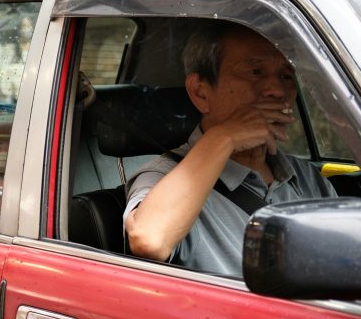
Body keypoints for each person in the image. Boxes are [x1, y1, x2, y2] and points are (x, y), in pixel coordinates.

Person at [123, 22, 336, 276]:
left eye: (286, 77)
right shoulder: (165, 177)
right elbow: (150, 239)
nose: (278, 91)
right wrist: (225, 137)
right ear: (200, 92)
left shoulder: (306, 178)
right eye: (255, 71)